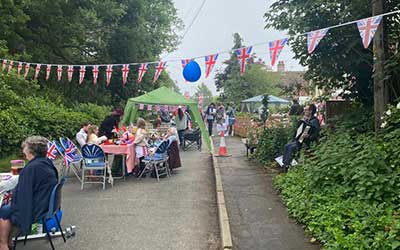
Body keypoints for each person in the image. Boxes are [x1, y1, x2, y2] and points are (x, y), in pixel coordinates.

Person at [0, 136, 58, 250]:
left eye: (24, 148)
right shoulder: (46, 162)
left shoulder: (32, 168)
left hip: (38, 208)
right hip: (46, 205)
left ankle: (3, 245)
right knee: (9, 206)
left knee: (4, 210)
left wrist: (13, 199)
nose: (23, 151)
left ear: (31, 151)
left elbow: (23, 194)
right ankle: (9, 241)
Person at [282, 104, 320, 172]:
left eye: (306, 110)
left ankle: (286, 166)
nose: (304, 111)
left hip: (308, 143)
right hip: (300, 141)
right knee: (286, 146)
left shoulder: (314, 121)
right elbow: (298, 132)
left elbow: (316, 134)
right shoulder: (305, 120)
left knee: (291, 147)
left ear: (310, 111)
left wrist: (309, 136)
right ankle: (285, 164)